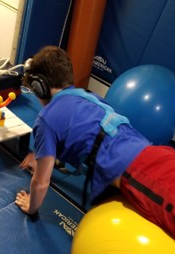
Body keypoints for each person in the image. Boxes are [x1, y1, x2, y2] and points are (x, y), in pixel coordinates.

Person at [14, 45, 175, 238]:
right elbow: (83, 134)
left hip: (140, 172)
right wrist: (43, 158)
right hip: (155, 155)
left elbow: (40, 184)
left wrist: (31, 207)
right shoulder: (89, 96)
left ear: (40, 88)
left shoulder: (46, 119)